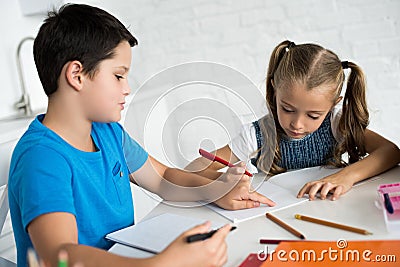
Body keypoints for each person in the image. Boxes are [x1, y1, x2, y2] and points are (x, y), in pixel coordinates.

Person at [8, 4, 275, 267]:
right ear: (77, 75)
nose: (127, 88)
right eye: (118, 76)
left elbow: (163, 180)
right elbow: (59, 257)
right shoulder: (42, 158)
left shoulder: (107, 133)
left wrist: (217, 189)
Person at [186, 40, 400, 202]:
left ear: (334, 103)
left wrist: (346, 177)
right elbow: (194, 169)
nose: (297, 124)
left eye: (313, 116)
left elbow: (390, 151)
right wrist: (223, 183)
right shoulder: (257, 134)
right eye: (287, 109)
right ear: (274, 90)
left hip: (328, 209)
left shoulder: (336, 123)